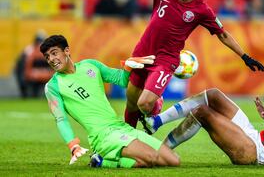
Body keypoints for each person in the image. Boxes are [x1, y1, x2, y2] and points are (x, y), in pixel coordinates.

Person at [122, 0, 264, 128]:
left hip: (165, 60)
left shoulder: (202, 10)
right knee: (131, 103)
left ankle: (157, 104)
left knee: (144, 104)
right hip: (142, 53)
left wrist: (245, 56)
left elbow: (223, 34)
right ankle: (126, 141)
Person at [40, 35, 180, 168]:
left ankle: (100, 161)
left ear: (66, 51)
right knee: (151, 158)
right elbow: (60, 119)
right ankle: (103, 162)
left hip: (122, 127)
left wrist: (128, 67)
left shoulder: (90, 65)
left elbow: (121, 80)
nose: (51, 59)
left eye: (54, 53)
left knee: (174, 161)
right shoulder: (53, 86)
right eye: (47, 57)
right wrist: (73, 145)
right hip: (103, 135)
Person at [14, 31, 53, 97]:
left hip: (41, 74)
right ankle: (25, 96)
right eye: (39, 41)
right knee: (26, 84)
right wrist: (26, 75)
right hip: (30, 74)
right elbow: (22, 66)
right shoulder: (29, 50)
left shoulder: (49, 51)